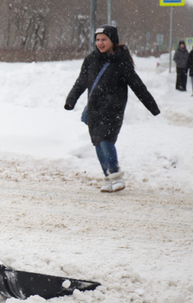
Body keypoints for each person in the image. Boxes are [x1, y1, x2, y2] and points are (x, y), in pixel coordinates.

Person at [64, 26, 161, 193]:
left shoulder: (121, 61)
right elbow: (81, 82)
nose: (100, 43)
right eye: (98, 39)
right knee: (97, 143)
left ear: (112, 41)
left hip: (112, 108)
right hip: (94, 108)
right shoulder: (91, 59)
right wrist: (71, 100)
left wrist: (153, 107)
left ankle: (116, 176)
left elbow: (137, 85)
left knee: (106, 140)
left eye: (104, 39)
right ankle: (108, 178)